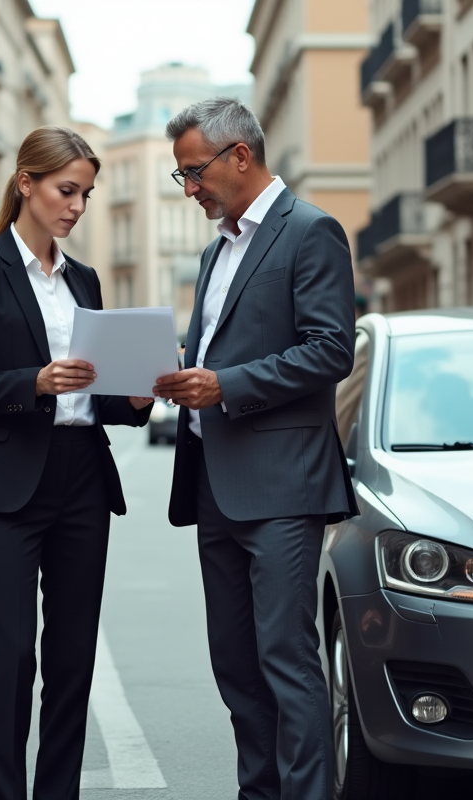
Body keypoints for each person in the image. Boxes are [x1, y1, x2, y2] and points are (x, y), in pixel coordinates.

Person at [153, 98, 357, 800]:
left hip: (282, 487)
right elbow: (224, 346)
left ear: (240, 155)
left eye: (194, 171)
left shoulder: (311, 231)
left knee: (287, 662)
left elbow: (332, 348)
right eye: (179, 176)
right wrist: (180, 370)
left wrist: (226, 384)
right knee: (236, 667)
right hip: (214, 483)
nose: (189, 188)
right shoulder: (217, 251)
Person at [0, 125, 153, 800]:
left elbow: (98, 396)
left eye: (86, 194)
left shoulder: (84, 279)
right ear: (26, 183)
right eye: (67, 190)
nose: (77, 206)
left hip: (83, 480)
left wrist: (138, 396)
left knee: (71, 662)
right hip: (6, 488)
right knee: (11, 659)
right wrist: (33, 382)